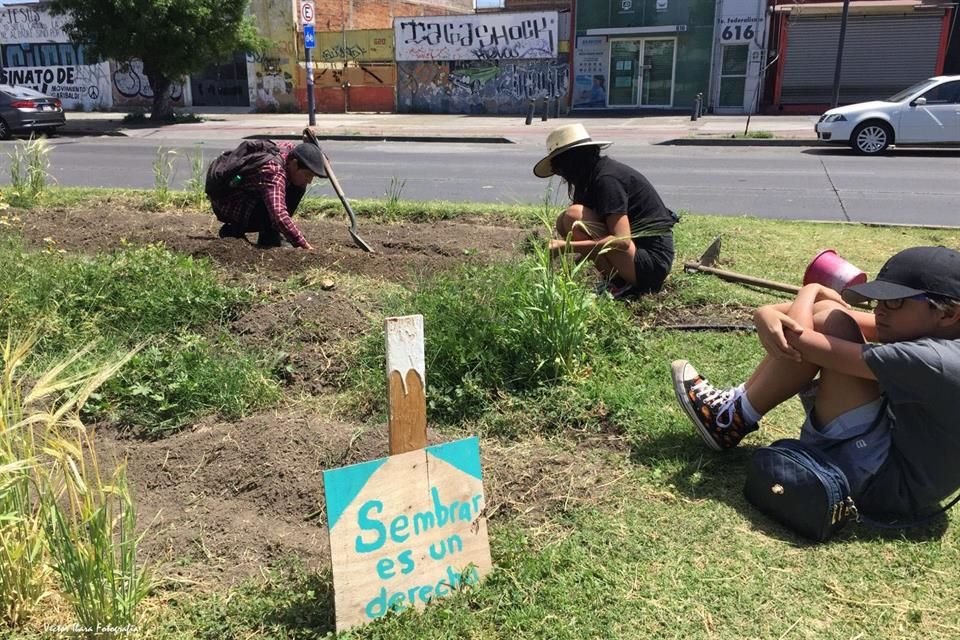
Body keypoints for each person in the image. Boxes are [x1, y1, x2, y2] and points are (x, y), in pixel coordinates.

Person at [671, 246, 960, 520]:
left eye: (895, 301)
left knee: (829, 322)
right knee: (831, 314)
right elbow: (828, 315)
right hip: (903, 465)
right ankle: (734, 411)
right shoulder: (943, 338)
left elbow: (799, 339)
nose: (879, 311)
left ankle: (732, 418)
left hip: (884, 487)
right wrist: (777, 309)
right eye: (879, 300)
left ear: (949, 313)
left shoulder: (933, 359)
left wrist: (808, 290)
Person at [534, 123, 678, 299]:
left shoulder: (607, 180)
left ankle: (624, 285)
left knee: (574, 216)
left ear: (572, 161)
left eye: (558, 168)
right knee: (564, 221)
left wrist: (566, 248)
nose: (559, 174)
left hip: (651, 265)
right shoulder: (589, 177)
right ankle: (616, 281)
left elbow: (622, 241)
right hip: (635, 256)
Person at [209, 141, 325, 249]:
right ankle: (233, 230)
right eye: (307, 174)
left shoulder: (290, 150)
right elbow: (279, 215)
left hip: (250, 196)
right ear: (294, 164)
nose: (309, 180)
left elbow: (315, 160)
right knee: (287, 195)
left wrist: (316, 149)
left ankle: (269, 234)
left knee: (298, 186)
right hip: (229, 205)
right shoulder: (273, 172)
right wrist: (303, 245)